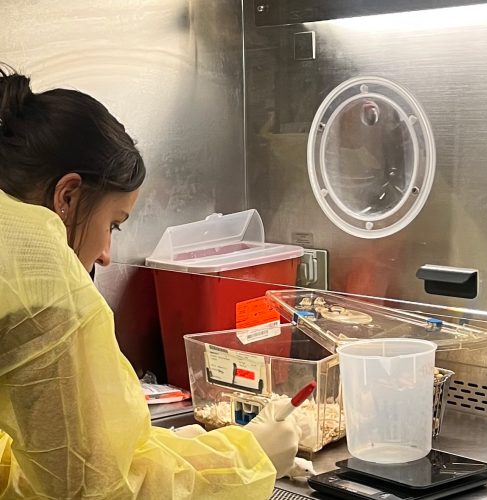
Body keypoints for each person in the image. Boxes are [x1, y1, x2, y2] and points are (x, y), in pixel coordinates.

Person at [0, 65, 301, 499]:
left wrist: (178, 451)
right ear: (66, 196)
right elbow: (90, 491)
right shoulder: (41, 275)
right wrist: (245, 459)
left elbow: (26, 460)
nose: (105, 254)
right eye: (114, 225)